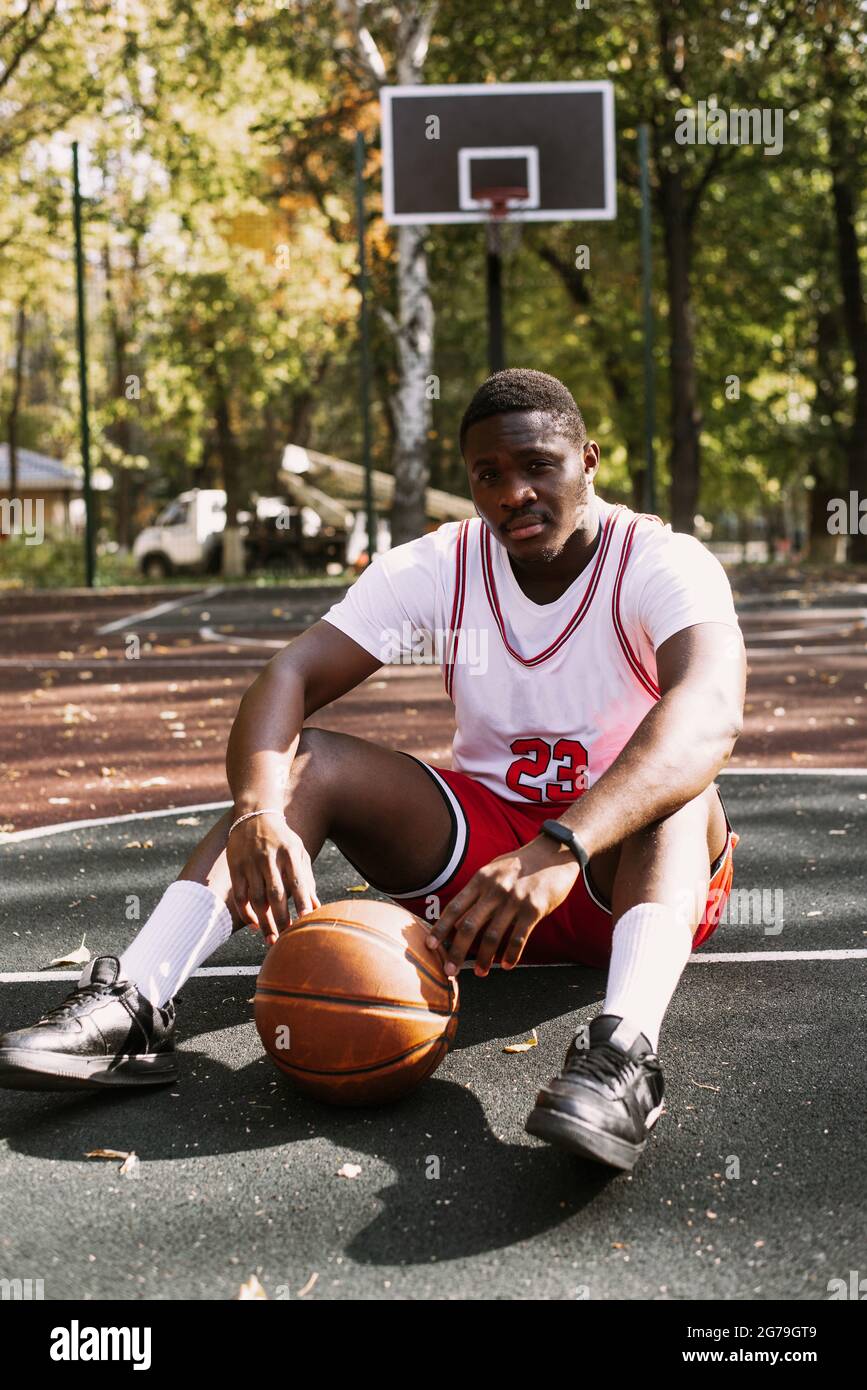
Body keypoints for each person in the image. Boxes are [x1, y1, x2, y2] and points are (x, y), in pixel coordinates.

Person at [0, 369, 745, 1173]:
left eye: (538, 466)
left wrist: (558, 849)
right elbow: (290, 676)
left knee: (683, 792)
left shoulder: (662, 561)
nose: (512, 494)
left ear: (588, 460)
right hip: (481, 869)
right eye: (487, 476)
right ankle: (137, 1003)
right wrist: (258, 809)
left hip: (617, 871)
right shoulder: (442, 564)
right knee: (304, 765)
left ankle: (623, 1055)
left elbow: (706, 714)